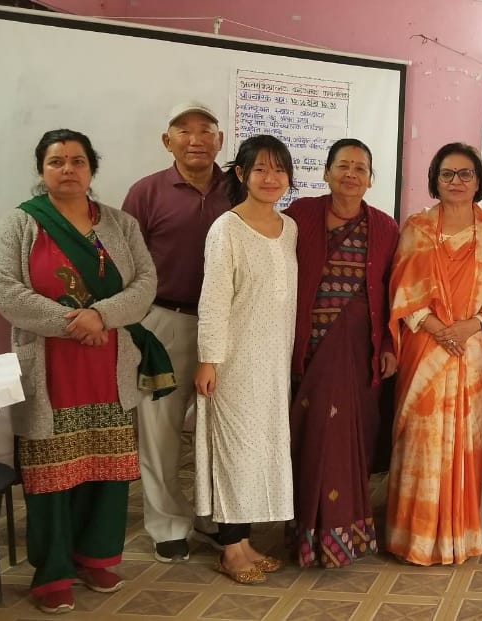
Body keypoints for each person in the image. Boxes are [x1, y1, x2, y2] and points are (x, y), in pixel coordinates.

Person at [0, 129, 172, 613]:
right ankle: (52, 572)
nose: (67, 169)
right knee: (51, 475)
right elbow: (7, 291)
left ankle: (97, 557)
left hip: (109, 365)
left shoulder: (120, 223)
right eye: (56, 161)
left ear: (91, 169)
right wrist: (75, 323)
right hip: (50, 369)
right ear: (41, 169)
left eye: (77, 161)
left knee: (106, 468)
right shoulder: (20, 224)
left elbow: (145, 282)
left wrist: (102, 316)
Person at [121, 102, 231, 563]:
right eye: (183, 131)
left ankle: (213, 517)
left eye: (205, 130)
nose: (195, 139)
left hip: (225, 328)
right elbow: (126, 265)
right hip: (163, 322)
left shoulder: (239, 188)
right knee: (160, 429)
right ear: (167, 141)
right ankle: (167, 524)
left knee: (218, 429)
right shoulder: (146, 192)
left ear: (220, 141)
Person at [386, 143, 482, 566]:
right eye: (448, 174)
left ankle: (458, 536)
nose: (457, 181)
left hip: (473, 352)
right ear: (435, 180)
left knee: (464, 442)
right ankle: (414, 538)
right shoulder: (416, 228)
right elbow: (403, 291)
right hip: (426, 347)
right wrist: (439, 329)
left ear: (478, 181)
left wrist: (473, 325)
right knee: (422, 438)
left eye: (465, 173)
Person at [282, 139, 399, 568]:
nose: (351, 174)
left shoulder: (385, 227)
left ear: (370, 179)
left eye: (360, 168)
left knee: (349, 443)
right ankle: (305, 533)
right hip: (306, 348)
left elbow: (392, 292)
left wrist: (389, 344)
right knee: (309, 438)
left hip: (357, 351)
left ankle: (343, 533)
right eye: (343, 166)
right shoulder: (299, 217)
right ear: (327, 172)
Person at [193, 135, 300, 584]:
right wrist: (209, 359)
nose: (270, 178)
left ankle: (246, 541)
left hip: (273, 361)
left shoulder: (289, 228)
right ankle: (230, 549)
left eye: (279, 169)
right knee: (234, 450)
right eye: (260, 169)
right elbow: (214, 300)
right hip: (233, 362)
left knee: (259, 449)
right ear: (241, 174)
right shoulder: (227, 229)